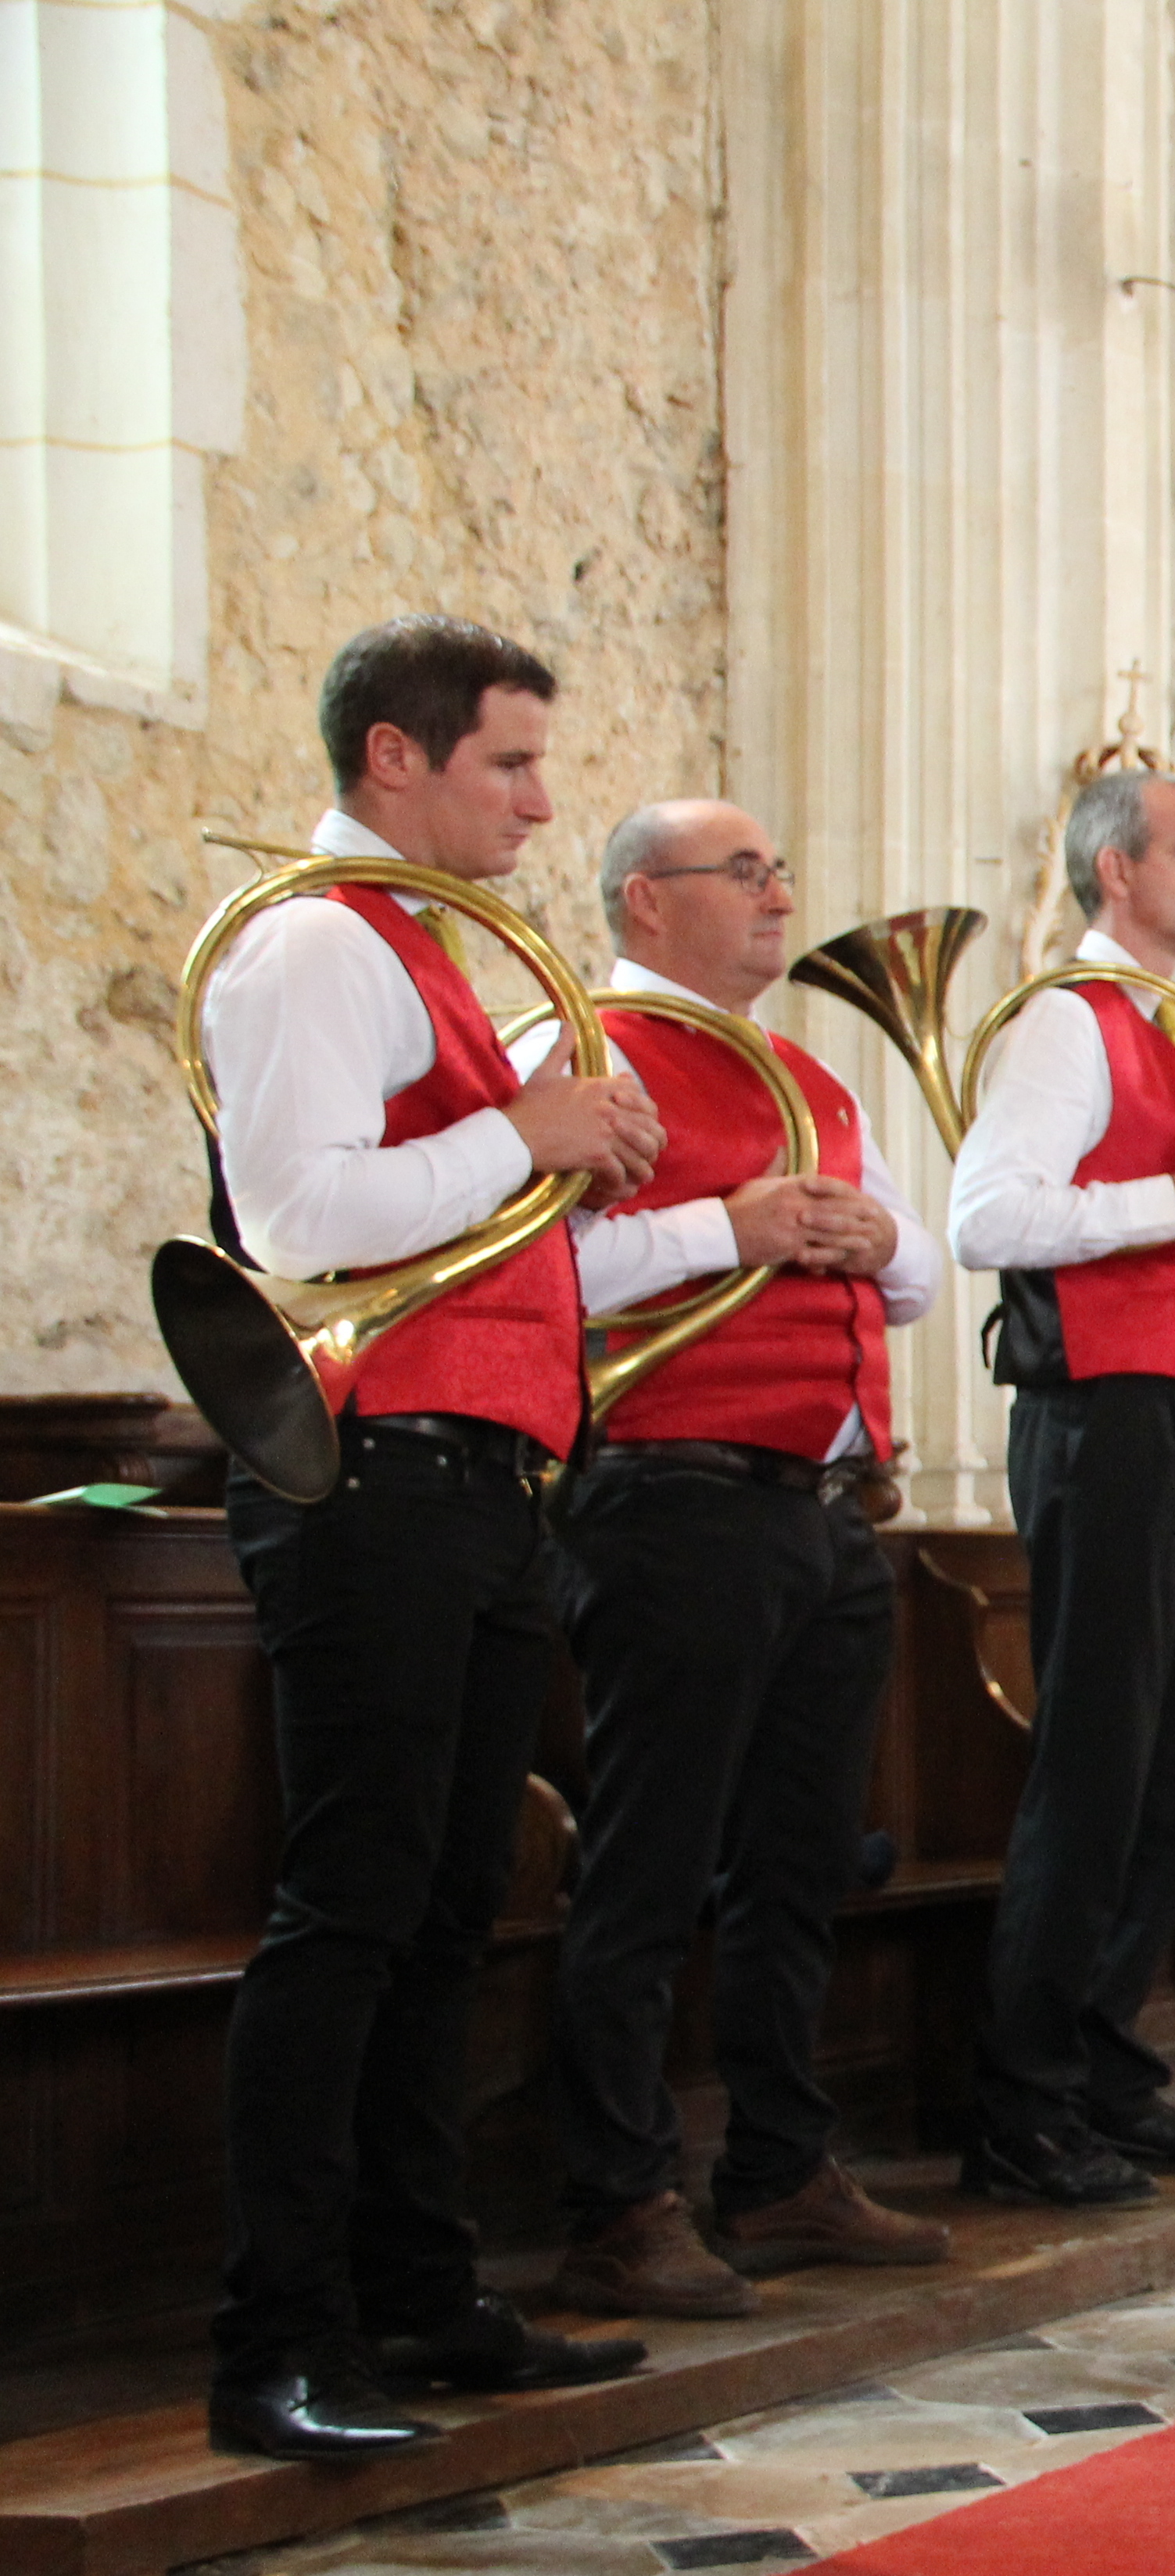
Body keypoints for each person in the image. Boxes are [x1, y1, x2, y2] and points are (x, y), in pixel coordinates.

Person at [196, 616, 665, 2458]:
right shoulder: (314, 941)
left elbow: (463, 1200)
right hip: (369, 1464)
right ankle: (274, 2336)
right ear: (394, 759)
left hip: (480, 1472)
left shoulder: (436, 953)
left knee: (452, 1905)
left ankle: (414, 2286)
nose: (544, 804)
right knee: (352, 1905)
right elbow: (295, 1212)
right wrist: (526, 1134)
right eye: (510, 764)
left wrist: (559, 1156)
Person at [542, 801, 956, 2318]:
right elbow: (543, 1275)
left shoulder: (810, 1075)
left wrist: (864, 1240)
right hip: (672, 1489)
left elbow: (918, 1275)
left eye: (784, 866)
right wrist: (733, 1225)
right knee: (650, 1861)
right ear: (646, 902)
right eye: (745, 873)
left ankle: (779, 2168)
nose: (782, 892)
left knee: (797, 1859)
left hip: (824, 1507)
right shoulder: (585, 1047)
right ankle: (617, 2198)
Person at [947, 769, 1175, 2209]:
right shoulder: (1064, 1025)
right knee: (1098, 1763)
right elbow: (984, 1217)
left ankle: (1099, 2065)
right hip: (1111, 1415)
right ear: (1112, 871)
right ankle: (1019, 2103)